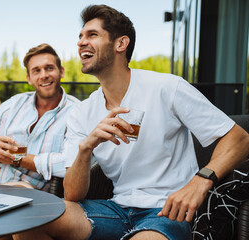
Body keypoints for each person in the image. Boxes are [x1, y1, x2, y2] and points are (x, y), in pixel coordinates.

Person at [13, 4, 249, 240]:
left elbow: (239, 138)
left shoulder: (166, 87)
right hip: (115, 210)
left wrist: (200, 181)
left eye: (92, 35)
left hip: (167, 211)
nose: (81, 42)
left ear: (120, 44)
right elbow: (72, 194)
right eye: (80, 37)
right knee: (29, 219)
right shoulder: (82, 112)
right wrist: (87, 147)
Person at [0, 43, 80, 191]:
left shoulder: (77, 112)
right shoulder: (14, 103)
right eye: (36, 71)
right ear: (29, 78)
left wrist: (17, 157)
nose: (44, 75)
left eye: (49, 68)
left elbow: (69, 164)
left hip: (23, 188)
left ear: (62, 72)